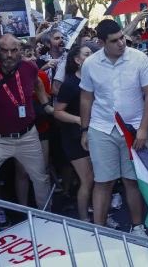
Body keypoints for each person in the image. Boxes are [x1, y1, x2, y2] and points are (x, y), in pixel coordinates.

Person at [79, 19, 148, 237]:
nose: (121, 43)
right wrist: (84, 130)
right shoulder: (90, 64)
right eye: (114, 40)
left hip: (133, 129)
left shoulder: (140, 58)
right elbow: (86, 98)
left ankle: (138, 227)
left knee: (132, 181)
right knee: (103, 182)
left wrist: (143, 129)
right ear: (102, 42)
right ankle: (99, 231)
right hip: (101, 128)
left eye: (122, 37)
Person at [0, 34, 53, 232]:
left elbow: (38, 84)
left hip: (28, 136)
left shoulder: (29, 67)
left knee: (41, 180)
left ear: (20, 49)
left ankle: (49, 222)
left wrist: (46, 105)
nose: (9, 55)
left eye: (14, 50)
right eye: (4, 50)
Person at [53, 42, 99, 222]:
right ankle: (84, 220)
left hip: (94, 135)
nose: (91, 57)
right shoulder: (71, 83)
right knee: (87, 180)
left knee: (98, 180)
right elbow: (57, 112)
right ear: (77, 60)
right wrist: (80, 120)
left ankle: (98, 216)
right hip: (74, 137)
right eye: (87, 54)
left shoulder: (96, 80)